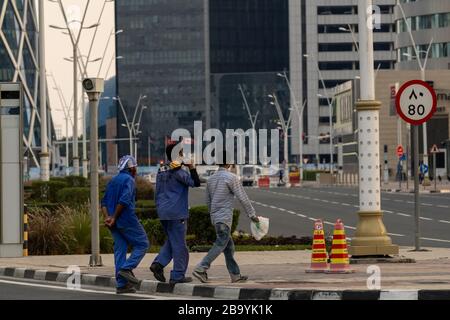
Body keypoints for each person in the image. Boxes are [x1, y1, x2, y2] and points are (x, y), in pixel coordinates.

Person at [192, 151, 259, 283]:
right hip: (224, 218)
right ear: (229, 162)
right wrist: (252, 214)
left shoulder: (211, 179)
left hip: (216, 218)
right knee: (221, 243)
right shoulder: (231, 178)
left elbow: (208, 201)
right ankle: (201, 268)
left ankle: (235, 275)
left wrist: (213, 217)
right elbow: (243, 198)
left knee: (229, 247)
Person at [150, 142, 201, 284]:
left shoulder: (162, 170)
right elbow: (195, 183)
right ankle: (177, 275)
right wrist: (191, 167)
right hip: (177, 213)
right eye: (181, 153)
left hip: (163, 211)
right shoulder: (178, 172)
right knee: (180, 246)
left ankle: (158, 264)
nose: (183, 155)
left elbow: (157, 192)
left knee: (172, 241)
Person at [101, 155, 150, 294]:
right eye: (135, 167)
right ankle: (126, 269)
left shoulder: (112, 181)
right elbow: (125, 199)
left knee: (120, 250)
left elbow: (103, 202)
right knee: (143, 244)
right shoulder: (129, 180)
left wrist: (108, 218)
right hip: (126, 219)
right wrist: (115, 217)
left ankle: (122, 285)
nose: (136, 170)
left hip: (113, 223)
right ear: (131, 168)